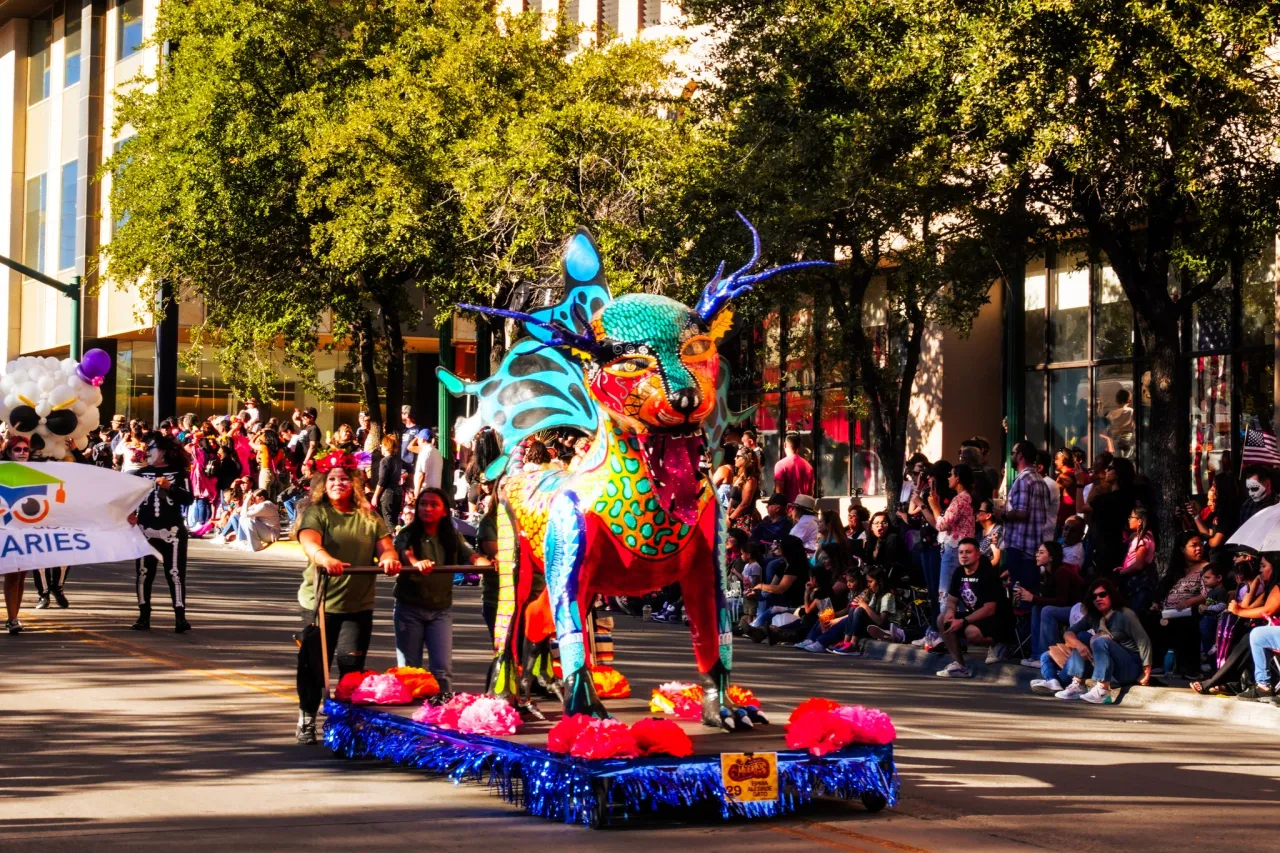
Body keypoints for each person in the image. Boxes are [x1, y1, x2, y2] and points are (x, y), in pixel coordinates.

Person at [294, 459, 401, 744]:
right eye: (331, 480)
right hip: (319, 602)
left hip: (358, 604)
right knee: (314, 664)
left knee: (351, 666)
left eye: (343, 479)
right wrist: (325, 558)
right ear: (323, 486)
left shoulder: (369, 516)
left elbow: (387, 548)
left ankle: (345, 724)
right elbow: (309, 542)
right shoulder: (318, 513)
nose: (337, 484)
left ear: (354, 484)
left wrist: (390, 560)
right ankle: (306, 717)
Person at [393, 488, 492, 700]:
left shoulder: (452, 535)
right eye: (423, 504)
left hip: (440, 611)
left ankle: (442, 711)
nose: (427, 508)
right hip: (409, 609)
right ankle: (409, 719)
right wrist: (416, 563)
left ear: (445, 511)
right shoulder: (408, 533)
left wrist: (487, 564)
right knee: (410, 671)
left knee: (442, 670)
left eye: (434, 504)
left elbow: (472, 556)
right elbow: (405, 552)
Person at [1033, 577, 1152, 703]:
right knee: (1082, 637)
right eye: (1094, 597)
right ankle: (1078, 685)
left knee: (1100, 641)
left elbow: (1144, 641)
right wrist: (1079, 645)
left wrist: (1146, 672)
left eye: (1102, 594)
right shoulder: (1094, 617)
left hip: (1129, 667)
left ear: (1111, 595)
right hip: (1110, 668)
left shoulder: (1125, 614)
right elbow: (1069, 633)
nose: (1098, 599)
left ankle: (1102, 690)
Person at [131, 433, 195, 633]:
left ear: (164, 452)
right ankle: (143, 616)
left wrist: (170, 487)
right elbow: (129, 500)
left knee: (175, 574)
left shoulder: (179, 474)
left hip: (173, 530)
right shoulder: (140, 474)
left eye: (153, 449)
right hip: (145, 530)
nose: (148, 452)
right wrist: (130, 513)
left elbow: (188, 499)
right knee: (143, 574)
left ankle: (180, 617)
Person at [936, 538, 1012, 676]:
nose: (964, 556)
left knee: (971, 632)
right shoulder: (958, 572)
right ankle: (959, 665)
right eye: (961, 552)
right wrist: (950, 613)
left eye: (968, 552)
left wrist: (963, 621)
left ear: (977, 555)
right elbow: (952, 600)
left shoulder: (987, 574)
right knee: (942, 619)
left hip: (995, 619)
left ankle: (999, 643)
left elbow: (989, 609)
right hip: (974, 616)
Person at [1151, 532, 1210, 679]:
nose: (1198, 549)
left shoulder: (1206, 567)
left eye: (1200, 545)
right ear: (1183, 549)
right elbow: (1163, 589)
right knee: (1149, 619)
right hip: (1169, 612)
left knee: (1184, 625)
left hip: (1191, 611)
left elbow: (1207, 593)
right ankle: (1156, 664)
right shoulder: (1177, 570)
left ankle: (1189, 668)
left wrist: (1188, 602)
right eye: (1193, 545)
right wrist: (1156, 603)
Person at [1016, 540, 1084, 666]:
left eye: (1041, 552)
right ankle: (1036, 655)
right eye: (1037, 552)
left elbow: (1061, 601)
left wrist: (1033, 598)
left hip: (1080, 611)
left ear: (1051, 557)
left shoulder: (1061, 571)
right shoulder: (1048, 573)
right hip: (1068, 608)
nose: (1037, 555)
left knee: (1047, 611)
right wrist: (1031, 596)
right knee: (1037, 608)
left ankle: (1049, 656)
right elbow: (1047, 598)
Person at [924, 462, 975, 622]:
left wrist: (933, 506)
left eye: (951, 475)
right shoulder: (966, 498)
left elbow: (942, 524)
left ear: (958, 478)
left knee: (946, 592)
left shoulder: (960, 499)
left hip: (954, 549)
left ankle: (945, 629)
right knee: (957, 593)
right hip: (960, 548)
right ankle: (954, 632)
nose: (948, 478)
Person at [745, 535, 810, 640]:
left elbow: (781, 588)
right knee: (763, 594)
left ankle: (755, 625)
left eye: (780, 546)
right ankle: (757, 626)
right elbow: (772, 586)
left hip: (794, 600)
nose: (777, 548)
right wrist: (756, 591)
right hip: (783, 597)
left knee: (767, 597)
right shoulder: (782, 565)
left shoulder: (796, 566)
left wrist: (760, 586)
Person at [1119, 504, 1158, 614]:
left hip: (1138, 586)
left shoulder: (1143, 539)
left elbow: (1139, 565)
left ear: (1140, 521)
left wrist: (1121, 573)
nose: (1129, 519)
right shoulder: (1142, 537)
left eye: (1131, 517)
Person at [370, 433, 404, 534]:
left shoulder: (385, 461)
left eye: (382, 445)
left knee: (388, 522)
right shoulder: (398, 461)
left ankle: (394, 543)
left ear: (385, 446)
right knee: (394, 520)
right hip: (398, 492)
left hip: (388, 493)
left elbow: (382, 480)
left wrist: (375, 496)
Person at [773, 433, 814, 504]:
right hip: (803, 510)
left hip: (787, 510)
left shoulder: (780, 465)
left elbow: (779, 494)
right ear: (799, 447)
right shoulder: (808, 466)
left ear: (784, 445)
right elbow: (810, 493)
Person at [728, 449, 762, 527]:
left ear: (746, 458)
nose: (734, 459)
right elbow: (731, 499)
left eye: (737, 456)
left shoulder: (750, 480)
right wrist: (727, 515)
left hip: (743, 519)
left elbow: (744, 504)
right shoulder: (738, 477)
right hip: (733, 516)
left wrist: (731, 518)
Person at [975, 499, 1003, 572]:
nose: (976, 513)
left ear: (988, 515)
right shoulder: (980, 532)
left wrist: (980, 571)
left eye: (979, 511)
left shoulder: (997, 531)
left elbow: (996, 559)